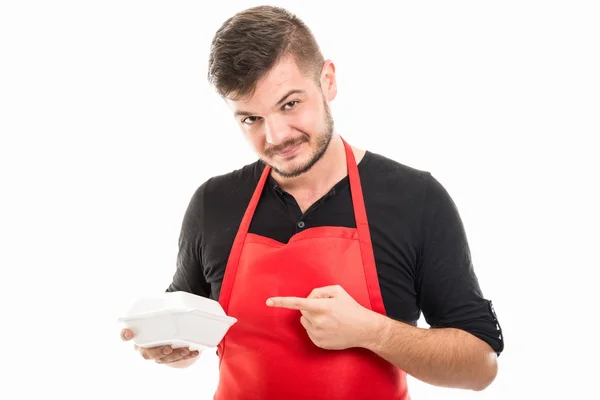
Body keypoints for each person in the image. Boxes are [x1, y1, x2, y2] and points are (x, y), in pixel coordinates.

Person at [120, 5, 504, 399]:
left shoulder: (415, 199)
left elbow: (479, 367)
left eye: (290, 104)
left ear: (328, 81)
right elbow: (190, 330)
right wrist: (172, 347)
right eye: (250, 119)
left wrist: (373, 331)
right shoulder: (213, 203)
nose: (275, 136)